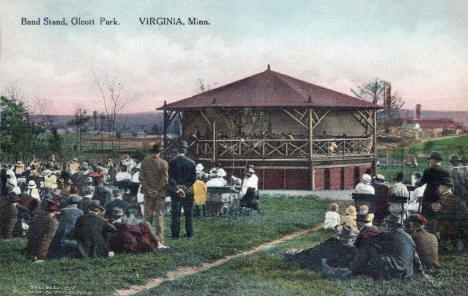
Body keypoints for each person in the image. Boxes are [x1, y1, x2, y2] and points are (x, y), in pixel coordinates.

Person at [140, 140, 169, 246]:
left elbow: (141, 178)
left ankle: (147, 240)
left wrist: (148, 189)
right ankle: (159, 241)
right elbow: (164, 180)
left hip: (148, 193)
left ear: (151, 151)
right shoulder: (164, 163)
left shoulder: (144, 162)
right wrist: (157, 190)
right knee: (159, 216)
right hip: (160, 194)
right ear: (159, 152)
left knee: (147, 217)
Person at [431, 176, 468, 250]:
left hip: (447, 226)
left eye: (439, 187)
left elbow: (438, 213)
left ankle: (438, 243)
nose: (438, 189)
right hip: (459, 225)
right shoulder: (457, 199)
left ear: (443, 187)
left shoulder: (443, 199)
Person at [169, 141, 196, 239]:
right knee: (189, 213)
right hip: (188, 191)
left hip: (176, 192)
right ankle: (189, 234)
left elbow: (170, 178)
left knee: (175, 214)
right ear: (186, 150)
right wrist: (185, 186)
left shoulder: (172, 162)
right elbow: (193, 178)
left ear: (177, 150)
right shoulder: (191, 162)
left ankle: (175, 235)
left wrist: (177, 187)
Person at [419, 152, 450, 223]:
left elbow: (421, 183)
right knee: (437, 218)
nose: (429, 161)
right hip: (440, 197)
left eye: (430, 159)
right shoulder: (446, 172)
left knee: (426, 217)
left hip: (429, 196)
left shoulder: (428, 171)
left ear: (433, 160)